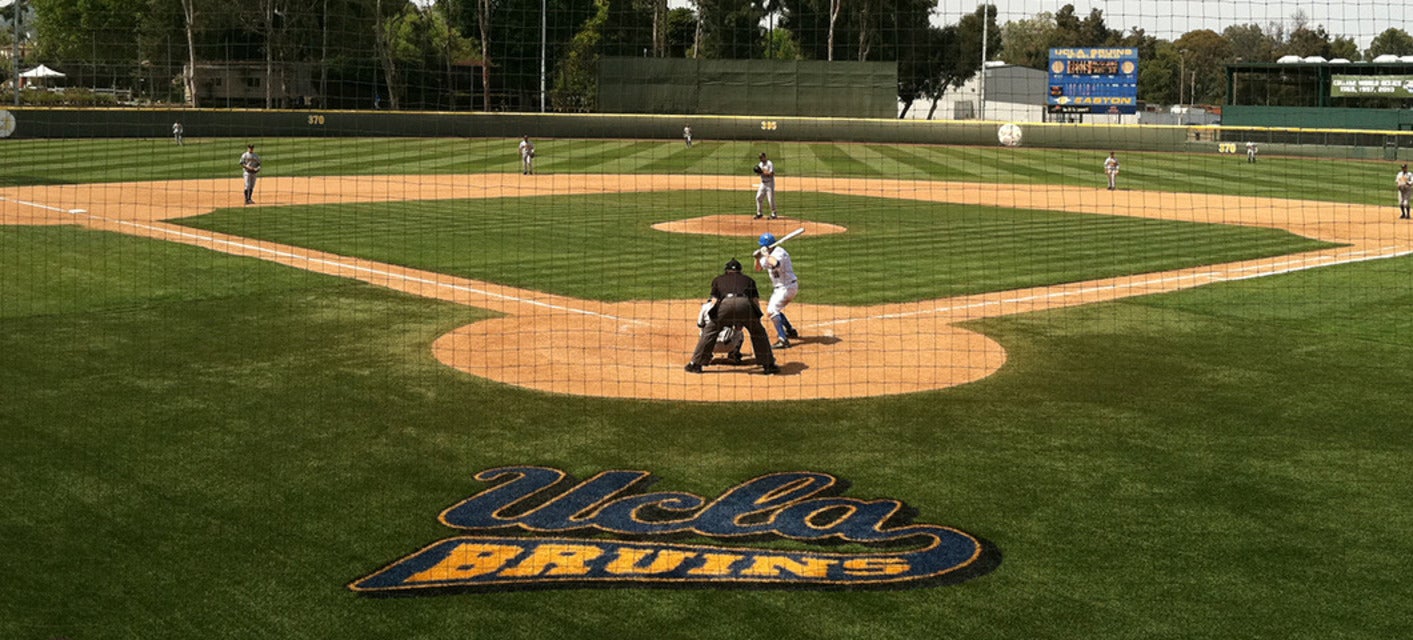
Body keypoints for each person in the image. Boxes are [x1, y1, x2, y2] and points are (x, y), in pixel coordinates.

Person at [686, 258, 778, 375]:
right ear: (740, 271)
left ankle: (695, 364)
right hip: (744, 304)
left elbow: (714, 301)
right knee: (758, 332)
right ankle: (769, 365)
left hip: (725, 304)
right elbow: (755, 301)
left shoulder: (718, 279)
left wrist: (714, 319)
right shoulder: (749, 280)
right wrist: (755, 320)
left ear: (726, 271)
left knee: (709, 332)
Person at [754, 232, 799, 349]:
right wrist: (757, 258)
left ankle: (783, 339)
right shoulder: (767, 254)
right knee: (775, 310)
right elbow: (758, 269)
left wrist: (766, 255)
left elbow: (775, 263)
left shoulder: (780, 253)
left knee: (772, 311)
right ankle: (790, 330)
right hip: (780, 288)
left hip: (788, 287)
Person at [698, 299, 744, 364]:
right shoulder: (731, 307)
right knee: (740, 333)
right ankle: (734, 354)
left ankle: (707, 356)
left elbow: (700, 324)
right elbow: (739, 327)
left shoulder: (705, 307)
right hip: (729, 345)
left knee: (702, 332)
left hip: (710, 345)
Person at [753, 152, 778, 219]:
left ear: (765, 157)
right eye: (760, 158)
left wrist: (762, 172)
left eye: (761, 157)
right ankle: (759, 213)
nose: (761, 159)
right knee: (758, 198)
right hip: (763, 183)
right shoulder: (760, 164)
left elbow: (772, 174)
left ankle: (774, 214)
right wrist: (757, 172)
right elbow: (759, 174)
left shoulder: (769, 163)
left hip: (770, 183)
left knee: (770, 199)